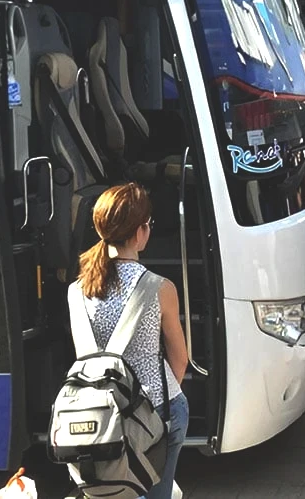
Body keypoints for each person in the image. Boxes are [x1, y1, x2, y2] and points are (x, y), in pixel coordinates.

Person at [73, 183, 188, 499]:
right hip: (154, 411)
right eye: (148, 224)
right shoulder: (160, 288)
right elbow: (180, 358)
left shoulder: (76, 291)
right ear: (140, 233)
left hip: (98, 416)